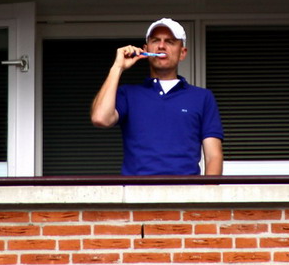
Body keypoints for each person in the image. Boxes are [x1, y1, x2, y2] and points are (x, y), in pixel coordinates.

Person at [90, 18, 224, 176]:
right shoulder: (128, 93)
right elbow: (100, 118)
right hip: (136, 194)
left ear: (182, 53)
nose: (161, 46)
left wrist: (207, 197)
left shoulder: (202, 97)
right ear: (146, 49)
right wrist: (117, 67)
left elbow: (213, 156)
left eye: (170, 41)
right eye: (155, 40)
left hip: (187, 194)